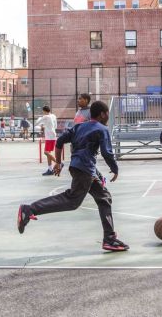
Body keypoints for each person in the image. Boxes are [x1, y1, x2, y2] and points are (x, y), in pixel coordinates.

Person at [17, 101, 129, 252]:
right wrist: (115, 168)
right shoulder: (102, 129)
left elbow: (60, 141)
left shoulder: (79, 127)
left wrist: (58, 163)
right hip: (85, 169)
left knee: (104, 197)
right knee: (72, 201)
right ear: (103, 114)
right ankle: (29, 209)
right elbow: (107, 152)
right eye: (107, 113)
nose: (108, 116)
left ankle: (109, 238)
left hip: (80, 167)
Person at [35, 105, 60, 175]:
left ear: (44, 111)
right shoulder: (53, 116)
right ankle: (50, 169)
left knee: (46, 152)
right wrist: (45, 126)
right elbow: (55, 126)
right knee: (48, 153)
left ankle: (59, 163)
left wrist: (40, 118)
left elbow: (36, 123)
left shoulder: (45, 116)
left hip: (49, 137)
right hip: (52, 135)